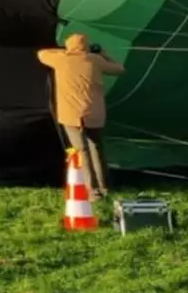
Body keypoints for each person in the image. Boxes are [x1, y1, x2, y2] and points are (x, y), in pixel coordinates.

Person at [37, 33, 125, 197]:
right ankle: (104, 186)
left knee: (81, 151)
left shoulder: (61, 59)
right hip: (94, 114)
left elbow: (41, 53)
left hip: (71, 115)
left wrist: (66, 51)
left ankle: (91, 191)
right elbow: (120, 69)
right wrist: (103, 53)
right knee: (96, 148)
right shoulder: (95, 60)